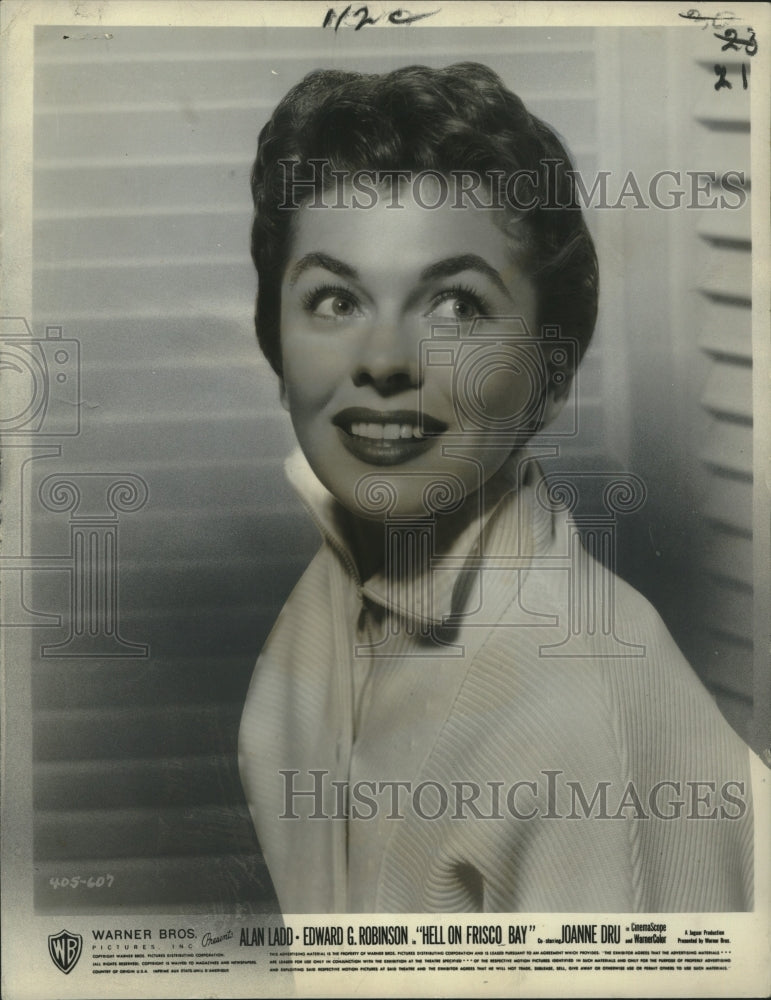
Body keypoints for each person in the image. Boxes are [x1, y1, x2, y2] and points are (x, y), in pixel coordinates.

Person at [238, 63, 754, 913]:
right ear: (277, 348)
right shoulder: (328, 596)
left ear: (550, 376)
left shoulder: (579, 706)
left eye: (455, 307)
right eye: (334, 299)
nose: (383, 361)